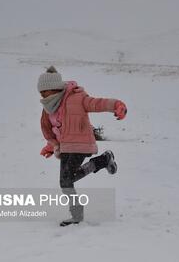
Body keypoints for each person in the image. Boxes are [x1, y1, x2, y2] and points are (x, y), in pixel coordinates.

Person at [38, 66, 127, 226]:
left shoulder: (76, 98)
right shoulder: (48, 109)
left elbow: (96, 103)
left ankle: (77, 216)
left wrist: (116, 105)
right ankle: (103, 160)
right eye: (41, 93)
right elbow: (54, 129)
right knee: (66, 181)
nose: (43, 96)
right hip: (65, 148)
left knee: (66, 180)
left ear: (55, 89)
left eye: (45, 92)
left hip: (81, 144)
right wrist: (51, 146)